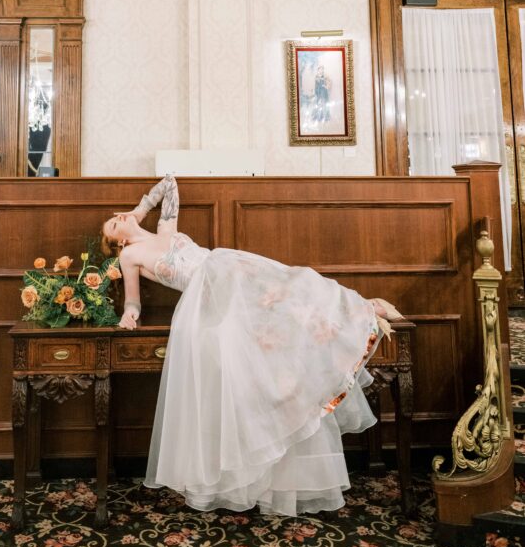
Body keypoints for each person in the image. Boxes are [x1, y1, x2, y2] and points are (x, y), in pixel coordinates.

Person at [101, 174, 403, 517]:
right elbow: (132, 301)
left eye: (116, 216)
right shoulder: (130, 256)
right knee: (264, 343)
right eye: (113, 225)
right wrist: (129, 315)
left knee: (295, 284)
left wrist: (139, 211)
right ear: (118, 245)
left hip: (225, 266)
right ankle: (260, 462)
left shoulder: (165, 230)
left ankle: (362, 309)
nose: (118, 218)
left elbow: (169, 182)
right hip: (208, 295)